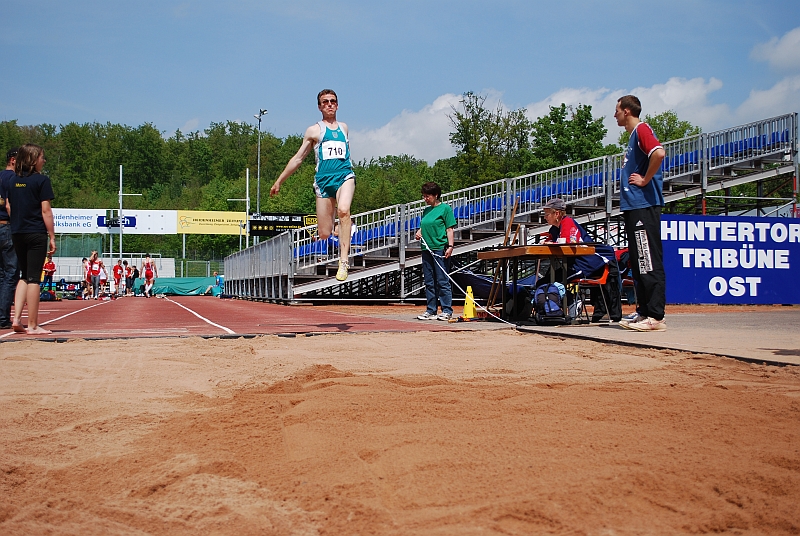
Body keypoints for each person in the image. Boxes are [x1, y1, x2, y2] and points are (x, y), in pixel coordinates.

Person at [270, 89, 356, 282]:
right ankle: (337, 228)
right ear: (319, 107)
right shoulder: (314, 131)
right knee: (324, 232)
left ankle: (344, 261)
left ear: (337, 105)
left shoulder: (344, 128)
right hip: (323, 182)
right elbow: (298, 158)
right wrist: (279, 181)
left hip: (344, 176)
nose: (329, 104)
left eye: (332, 101)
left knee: (344, 210)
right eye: (325, 102)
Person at [614, 95, 667, 331]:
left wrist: (645, 179)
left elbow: (659, 153)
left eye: (617, 110)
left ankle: (656, 316)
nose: (614, 115)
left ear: (626, 111)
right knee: (638, 261)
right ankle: (644, 311)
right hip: (634, 206)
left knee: (648, 258)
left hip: (644, 205)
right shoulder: (633, 136)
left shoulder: (642, 129)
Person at [541, 198, 622, 322]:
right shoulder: (554, 229)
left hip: (587, 262)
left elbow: (568, 243)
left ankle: (572, 302)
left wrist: (552, 243)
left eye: (547, 214)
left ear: (557, 213)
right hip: (574, 262)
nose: (545, 217)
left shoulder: (567, 222)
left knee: (552, 281)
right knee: (544, 281)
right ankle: (557, 307)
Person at [7, 144, 56, 334]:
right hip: (35, 232)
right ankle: (33, 324)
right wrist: (52, 236)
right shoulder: (42, 180)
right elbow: (46, 211)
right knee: (34, 278)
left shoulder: (13, 181)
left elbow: (9, 206)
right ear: (33, 159)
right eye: (42, 157)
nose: (44, 160)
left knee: (24, 276)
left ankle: (17, 318)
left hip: (17, 231)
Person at [415, 182, 456, 321]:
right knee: (429, 281)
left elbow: (449, 229)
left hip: (439, 248)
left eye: (428, 196)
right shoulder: (426, 211)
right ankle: (431, 309)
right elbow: (425, 225)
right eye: (424, 196)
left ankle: (446, 310)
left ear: (436, 195)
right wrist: (419, 232)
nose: (425, 199)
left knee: (442, 280)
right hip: (426, 248)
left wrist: (450, 246)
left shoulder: (445, 209)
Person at [0, 148, 19, 328]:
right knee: (11, 272)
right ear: (13, 160)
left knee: (1, 273)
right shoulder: (13, 178)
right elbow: (9, 205)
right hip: (6, 225)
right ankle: (3, 317)